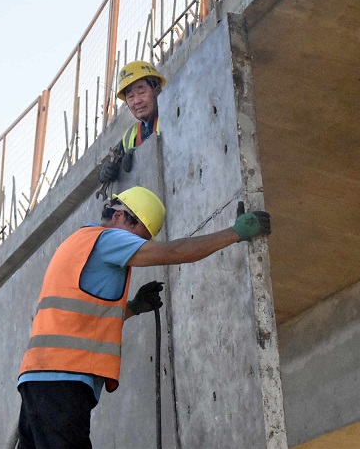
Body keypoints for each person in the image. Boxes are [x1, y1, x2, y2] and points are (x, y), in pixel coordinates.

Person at [16, 186, 271, 448]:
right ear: (119, 217)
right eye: (140, 237)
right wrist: (235, 233)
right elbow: (173, 252)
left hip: (41, 378)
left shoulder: (78, 244)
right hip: (63, 379)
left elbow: (85, 319)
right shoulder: (106, 239)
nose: (140, 247)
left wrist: (134, 307)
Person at [98, 61, 166, 184]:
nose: (137, 101)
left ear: (157, 91)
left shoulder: (171, 114)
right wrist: (105, 173)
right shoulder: (129, 136)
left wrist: (139, 153)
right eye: (130, 97)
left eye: (141, 92)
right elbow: (115, 165)